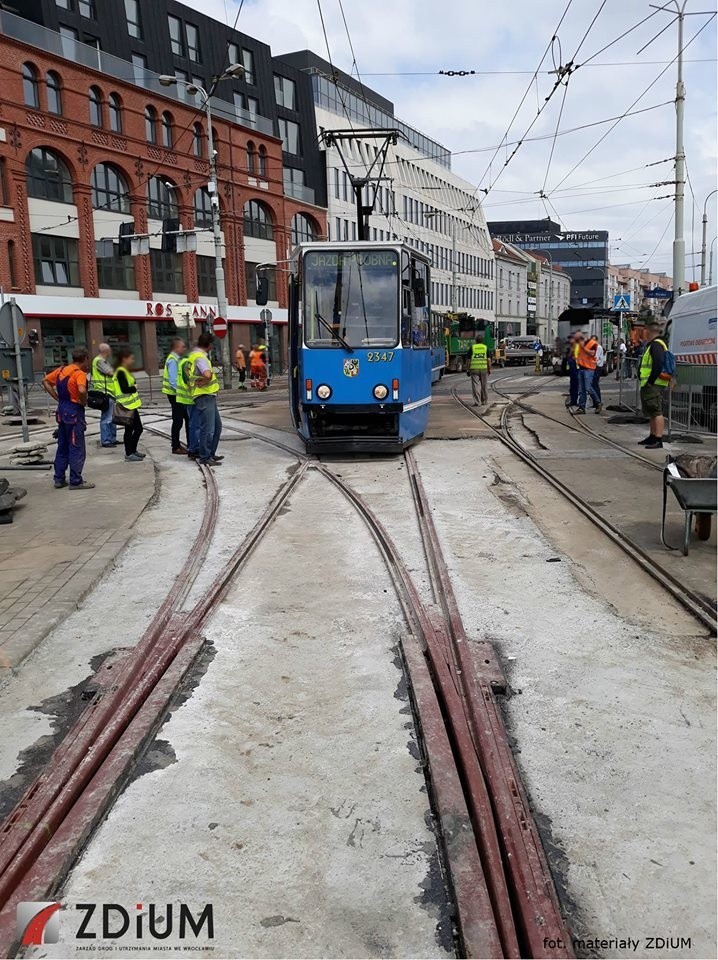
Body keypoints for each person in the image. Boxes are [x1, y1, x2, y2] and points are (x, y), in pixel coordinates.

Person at [42, 346, 94, 490]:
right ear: (85, 359)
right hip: (74, 412)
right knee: (76, 447)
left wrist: (57, 398)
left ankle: (59, 479)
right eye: (88, 361)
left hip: (62, 410)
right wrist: (83, 401)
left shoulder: (61, 370)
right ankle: (76, 481)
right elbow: (82, 390)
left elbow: (45, 381)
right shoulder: (79, 374)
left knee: (62, 446)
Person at [191, 332, 223, 466]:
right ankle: (205, 457)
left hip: (207, 396)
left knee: (217, 426)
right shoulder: (200, 358)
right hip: (204, 396)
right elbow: (207, 374)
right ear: (209, 345)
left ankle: (210, 453)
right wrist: (205, 381)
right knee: (208, 429)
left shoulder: (194, 355)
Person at [638, 321, 670, 449]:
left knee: (656, 411)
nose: (644, 334)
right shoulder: (654, 344)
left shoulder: (656, 345)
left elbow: (658, 363)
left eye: (645, 331)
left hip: (654, 384)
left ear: (650, 332)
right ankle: (652, 436)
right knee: (651, 411)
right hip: (650, 383)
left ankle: (658, 439)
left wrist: (651, 380)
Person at [113, 349, 145, 462]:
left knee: (133, 429)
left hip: (130, 405)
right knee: (135, 429)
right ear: (124, 359)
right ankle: (129, 452)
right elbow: (124, 388)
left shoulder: (124, 371)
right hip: (127, 406)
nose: (133, 360)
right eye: (131, 358)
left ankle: (132, 451)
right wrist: (134, 387)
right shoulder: (121, 371)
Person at [162, 337, 189, 454]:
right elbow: (173, 381)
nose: (184, 349)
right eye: (182, 347)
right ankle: (176, 446)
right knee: (178, 420)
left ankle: (182, 444)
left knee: (183, 419)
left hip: (175, 395)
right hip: (175, 395)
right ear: (176, 347)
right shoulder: (173, 360)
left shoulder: (175, 358)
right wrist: (181, 393)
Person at [91, 342, 118, 448]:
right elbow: (111, 373)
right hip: (105, 393)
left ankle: (112, 439)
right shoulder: (99, 361)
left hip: (110, 393)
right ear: (106, 351)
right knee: (107, 418)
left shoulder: (103, 361)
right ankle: (106, 440)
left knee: (111, 417)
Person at [176, 348, 199, 459]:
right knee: (194, 424)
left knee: (192, 424)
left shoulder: (182, 361)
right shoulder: (186, 363)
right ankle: (193, 449)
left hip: (186, 398)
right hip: (190, 398)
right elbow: (188, 380)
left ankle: (193, 448)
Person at [576, 332, 602, 414]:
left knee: (588, 388)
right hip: (582, 369)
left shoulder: (592, 344)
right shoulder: (579, 345)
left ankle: (598, 403)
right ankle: (581, 407)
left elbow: (592, 353)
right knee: (581, 389)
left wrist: (583, 347)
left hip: (589, 369)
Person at [468, 332, 490, 405]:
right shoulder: (485, 347)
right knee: (484, 386)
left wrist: (467, 369)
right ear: (482, 340)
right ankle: (484, 401)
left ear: (476, 340)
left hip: (474, 369)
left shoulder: (472, 347)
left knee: (475, 386)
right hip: (484, 369)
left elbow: (468, 360)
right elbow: (489, 360)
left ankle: (477, 402)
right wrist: (489, 369)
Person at [566, 333, 580, 408]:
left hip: (577, 369)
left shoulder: (577, 346)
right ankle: (573, 401)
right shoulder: (571, 348)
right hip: (573, 369)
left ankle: (576, 401)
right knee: (573, 386)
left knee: (577, 386)